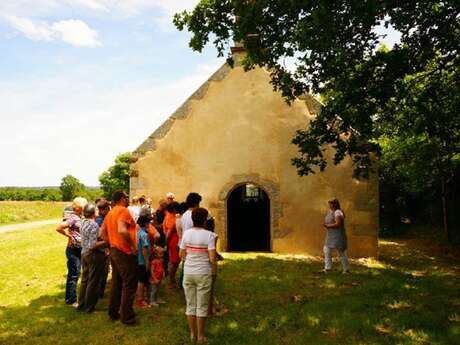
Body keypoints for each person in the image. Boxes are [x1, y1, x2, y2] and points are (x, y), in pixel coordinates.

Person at [100, 191, 138, 325]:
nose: (128, 200)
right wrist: (132, 246)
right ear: (122, 199)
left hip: (114, 251)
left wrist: (111, 243)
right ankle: (127, 317)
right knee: (129, 283)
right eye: (127, 198)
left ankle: (113, 312)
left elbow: (101, 232)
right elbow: (122, 230)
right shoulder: (123, 210)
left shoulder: (110, 213)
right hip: (125, 252)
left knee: (116, 283)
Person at [180, 208, 217, 343]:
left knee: (190, 304)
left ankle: (192, 334)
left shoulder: (186, 234)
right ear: (204, 220)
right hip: (203, 273)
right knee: (202, 306)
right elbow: (212, 258)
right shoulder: (210, 236)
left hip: (188, 272)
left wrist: (190, 259)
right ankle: (201, 336)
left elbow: (181, 254)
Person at [56, 197, 88, 305]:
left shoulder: (81, 217)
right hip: (73, 250)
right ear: (78, 208)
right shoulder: (73, 218)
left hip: (80, 249)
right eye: (83, 207)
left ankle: (75, 297)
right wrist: (68, 236)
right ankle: (71, 299)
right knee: (74, 274)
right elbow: (59, 227)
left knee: (78, 273)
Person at [77, 204, 107, 313]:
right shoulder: (94, 225)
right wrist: (106, 242)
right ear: (93, 213)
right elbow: (93, 245)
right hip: (92, 254)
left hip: (84, 253)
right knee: (93, 281)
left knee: (85, 280)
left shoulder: (83, 222)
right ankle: (89, 308)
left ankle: (81, 304)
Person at [322, 198, 350, 273]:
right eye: (329, 204)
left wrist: (328, 226)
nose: (329, 205)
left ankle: (346, 270)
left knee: (341, 252)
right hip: (331, 235)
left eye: (331, 204)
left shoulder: (338, 212)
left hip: (338, 235)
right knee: (326, 250)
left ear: (335, 204)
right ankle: (328, 268)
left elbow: (338, 224)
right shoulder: (330, 211)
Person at [96, 199, 110, 298]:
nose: (109, 211)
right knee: (102, 272)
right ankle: (99, 293)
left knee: (103, 272)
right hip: (101, 249)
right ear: (103, 209)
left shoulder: (101, 218)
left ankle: (100, 292)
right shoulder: (100, 220)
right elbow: (100, 235)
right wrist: (106, 246)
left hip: (102, 248)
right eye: (108, 209)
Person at [164, 201, 181, 288]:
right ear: (174, 209)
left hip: (174, 241)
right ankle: (171, 282)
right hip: (173, 242)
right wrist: (166, 243)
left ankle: (173, 280)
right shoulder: (171, 218)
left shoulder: (168, 216)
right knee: (174, 262)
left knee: (175, 262)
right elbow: (168, 233)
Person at [136, 215, 151, 308]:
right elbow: (144, 249)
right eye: (148, 222)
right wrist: (147, 262)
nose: (149, 224)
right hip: (142, 261)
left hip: (137, 260)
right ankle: (140, 300)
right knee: (141, 281)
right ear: (145, 224)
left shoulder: (138, 232)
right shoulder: (144, 235)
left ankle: (143, 298)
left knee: (141, 280)